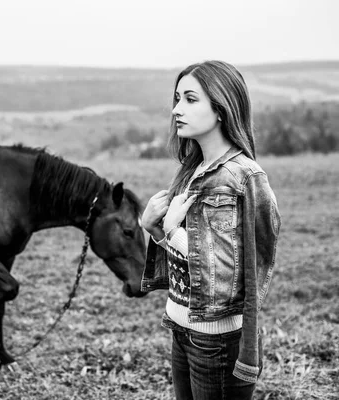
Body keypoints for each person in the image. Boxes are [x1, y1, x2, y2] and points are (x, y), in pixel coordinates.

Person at [141, 60, 281, 400]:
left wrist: (171, 229)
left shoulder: (242, 177)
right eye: (176, 99)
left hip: (215, 339)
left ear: (221, 108)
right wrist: (153, 229)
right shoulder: (192, 170)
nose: (176, 110)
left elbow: (229, 269)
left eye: (190, 99)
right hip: (181, 326)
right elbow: (190, 254)